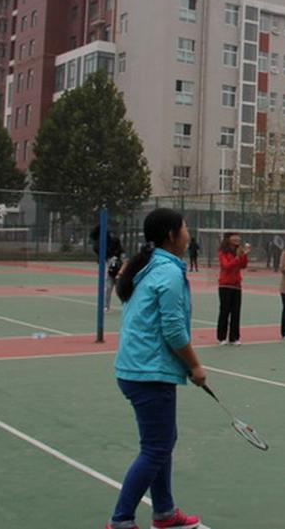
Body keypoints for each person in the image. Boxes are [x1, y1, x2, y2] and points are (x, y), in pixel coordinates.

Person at [106, 208, 204, 529]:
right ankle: (121, 520)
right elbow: (173, 329)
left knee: (161, 443)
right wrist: (194, 365)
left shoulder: (149, 267)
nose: (188, 233)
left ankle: (164, 512)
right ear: (171, 236)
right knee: (157, 447)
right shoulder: (168, 273)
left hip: (136, 368)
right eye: (185, 228)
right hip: (148, 372)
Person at [217, 232, 251, 346]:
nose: (237, 238)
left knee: (236, 312)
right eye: (234, 236)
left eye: (238, 237)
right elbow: (226, 266)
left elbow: (243, 265)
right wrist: (237, 257)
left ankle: (234, 337)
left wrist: (244, 255)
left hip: (236, 285)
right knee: (224, 311)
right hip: (225, 285)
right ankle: (222, 337)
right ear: (228, 239)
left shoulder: (238, 251)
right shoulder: (223, 252)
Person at [105, 232, 126, 311]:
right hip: (111, 274)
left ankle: (125, 305)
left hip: (119, 275)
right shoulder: (109, 252)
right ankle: (106, 306)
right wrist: (109, 267)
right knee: (108, 289)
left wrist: (120, 272)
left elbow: (125, 262)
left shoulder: (121, 252)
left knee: (119, 291)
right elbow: (108, 261)